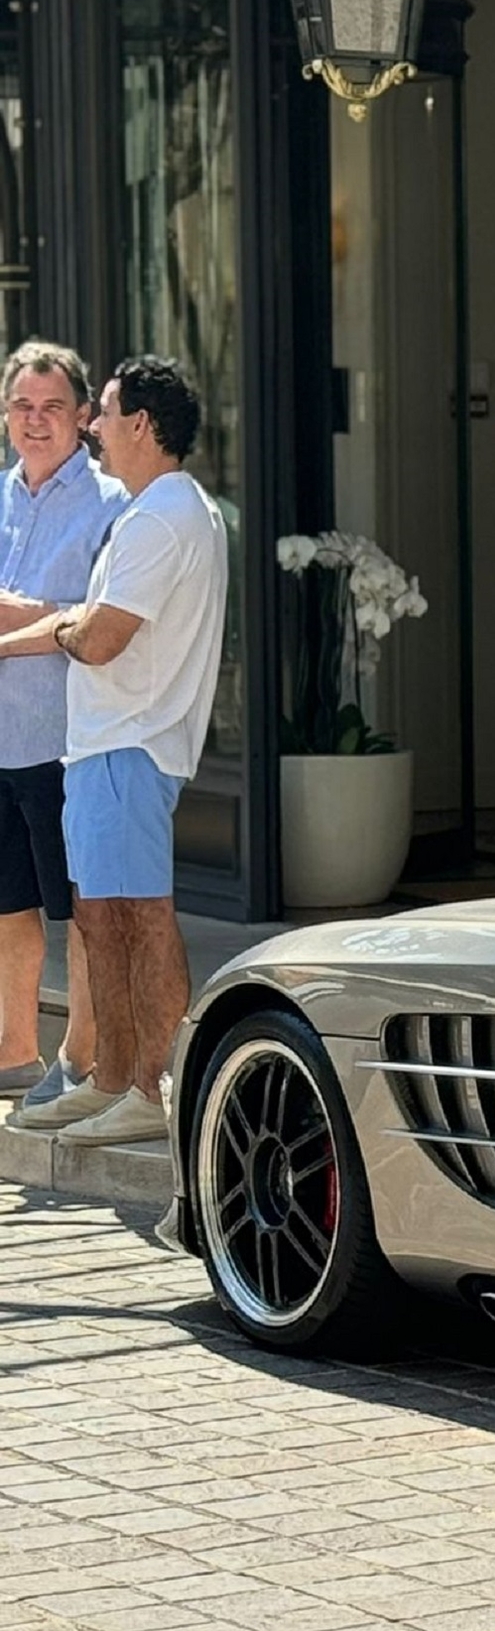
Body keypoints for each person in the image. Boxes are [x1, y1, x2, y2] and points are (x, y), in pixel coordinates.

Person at [0, 356, 228, 1145]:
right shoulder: (152, 513)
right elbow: (79, 625)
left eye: (99, 412)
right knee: (103, 923)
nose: (93, 427)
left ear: (141, 424)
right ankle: (114, 1081)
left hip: (130, 745)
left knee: (141, 921)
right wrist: (42, 631)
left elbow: (96, 638)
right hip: (104, 749)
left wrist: (57, 626)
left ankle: (153, 1087)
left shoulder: (162, 517)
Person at [0, 342, 120, 1109]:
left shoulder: (111, 505)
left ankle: (81, 1065)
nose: (35, 421)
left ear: (83, 416)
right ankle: (13, 1057)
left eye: (52, 407)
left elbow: (98, 619)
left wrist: (25, 613)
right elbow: (56, 612)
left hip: (65, 744)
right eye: (22, 406)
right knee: (7, 906)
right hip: (0, 744)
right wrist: (39, 614)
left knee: (76, 912)